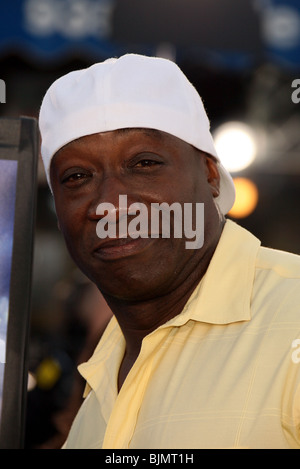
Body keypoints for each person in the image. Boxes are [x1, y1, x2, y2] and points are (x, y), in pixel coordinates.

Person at [39, 53, 300, 449]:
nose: (111, 204)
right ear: (57, 211)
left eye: (144, 163)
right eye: (77, 177)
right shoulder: (98, 376)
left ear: (211, 174)